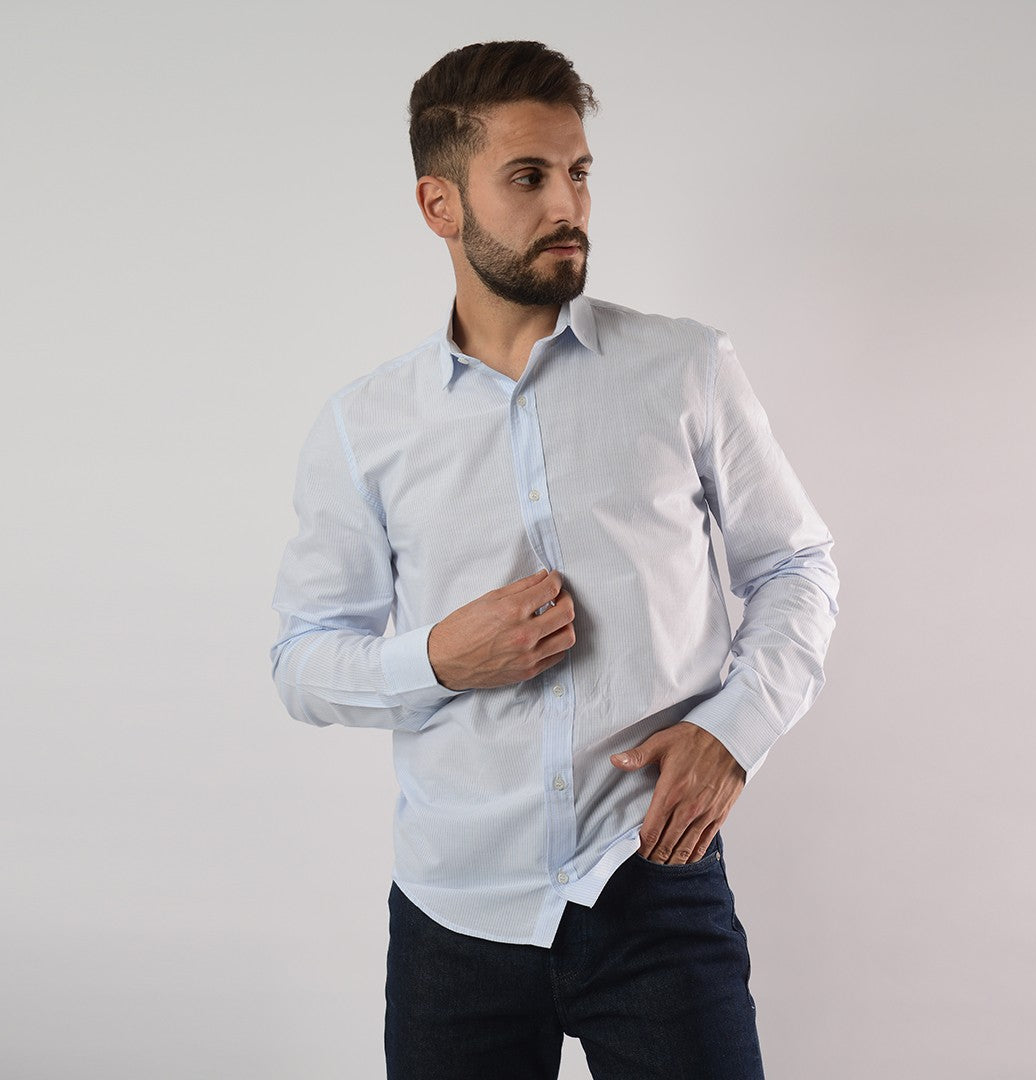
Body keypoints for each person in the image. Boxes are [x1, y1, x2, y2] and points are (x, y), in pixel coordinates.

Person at [270, 39, 839, 1080]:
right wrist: (438, 658)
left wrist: (735, 731)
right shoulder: (366, 427)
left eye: (578, 172)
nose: (568, 204)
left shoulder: (685, 366)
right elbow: (303, 661)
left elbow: (795, 565)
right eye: (527, 177)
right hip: (454, 920)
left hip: (653, 883)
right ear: (439, 205)